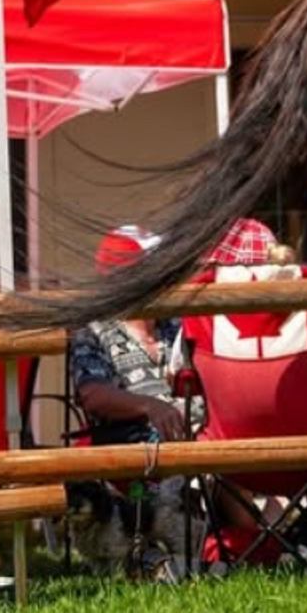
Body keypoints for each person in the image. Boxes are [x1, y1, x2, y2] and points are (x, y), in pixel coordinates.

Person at [68, 226, 191, 573]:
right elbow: (92, 394)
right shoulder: (95, 327)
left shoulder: (175, 323)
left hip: (198, 432)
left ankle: (256, 541)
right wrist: (151, 406)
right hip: (139, 441)